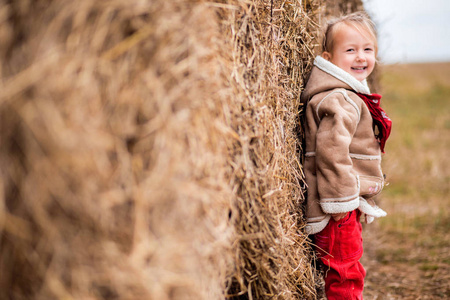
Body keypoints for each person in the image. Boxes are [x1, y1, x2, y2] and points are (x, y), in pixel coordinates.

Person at [300, 12, 392, 299]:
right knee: (345, 273)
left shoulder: (347, 94)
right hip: (336, 206)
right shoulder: (341, 99)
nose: (360, 57)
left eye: (367, 49)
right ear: (328, 57)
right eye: (350, 50)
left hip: (341, 203)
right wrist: (342, 203)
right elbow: (331, 152)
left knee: (346, 269)